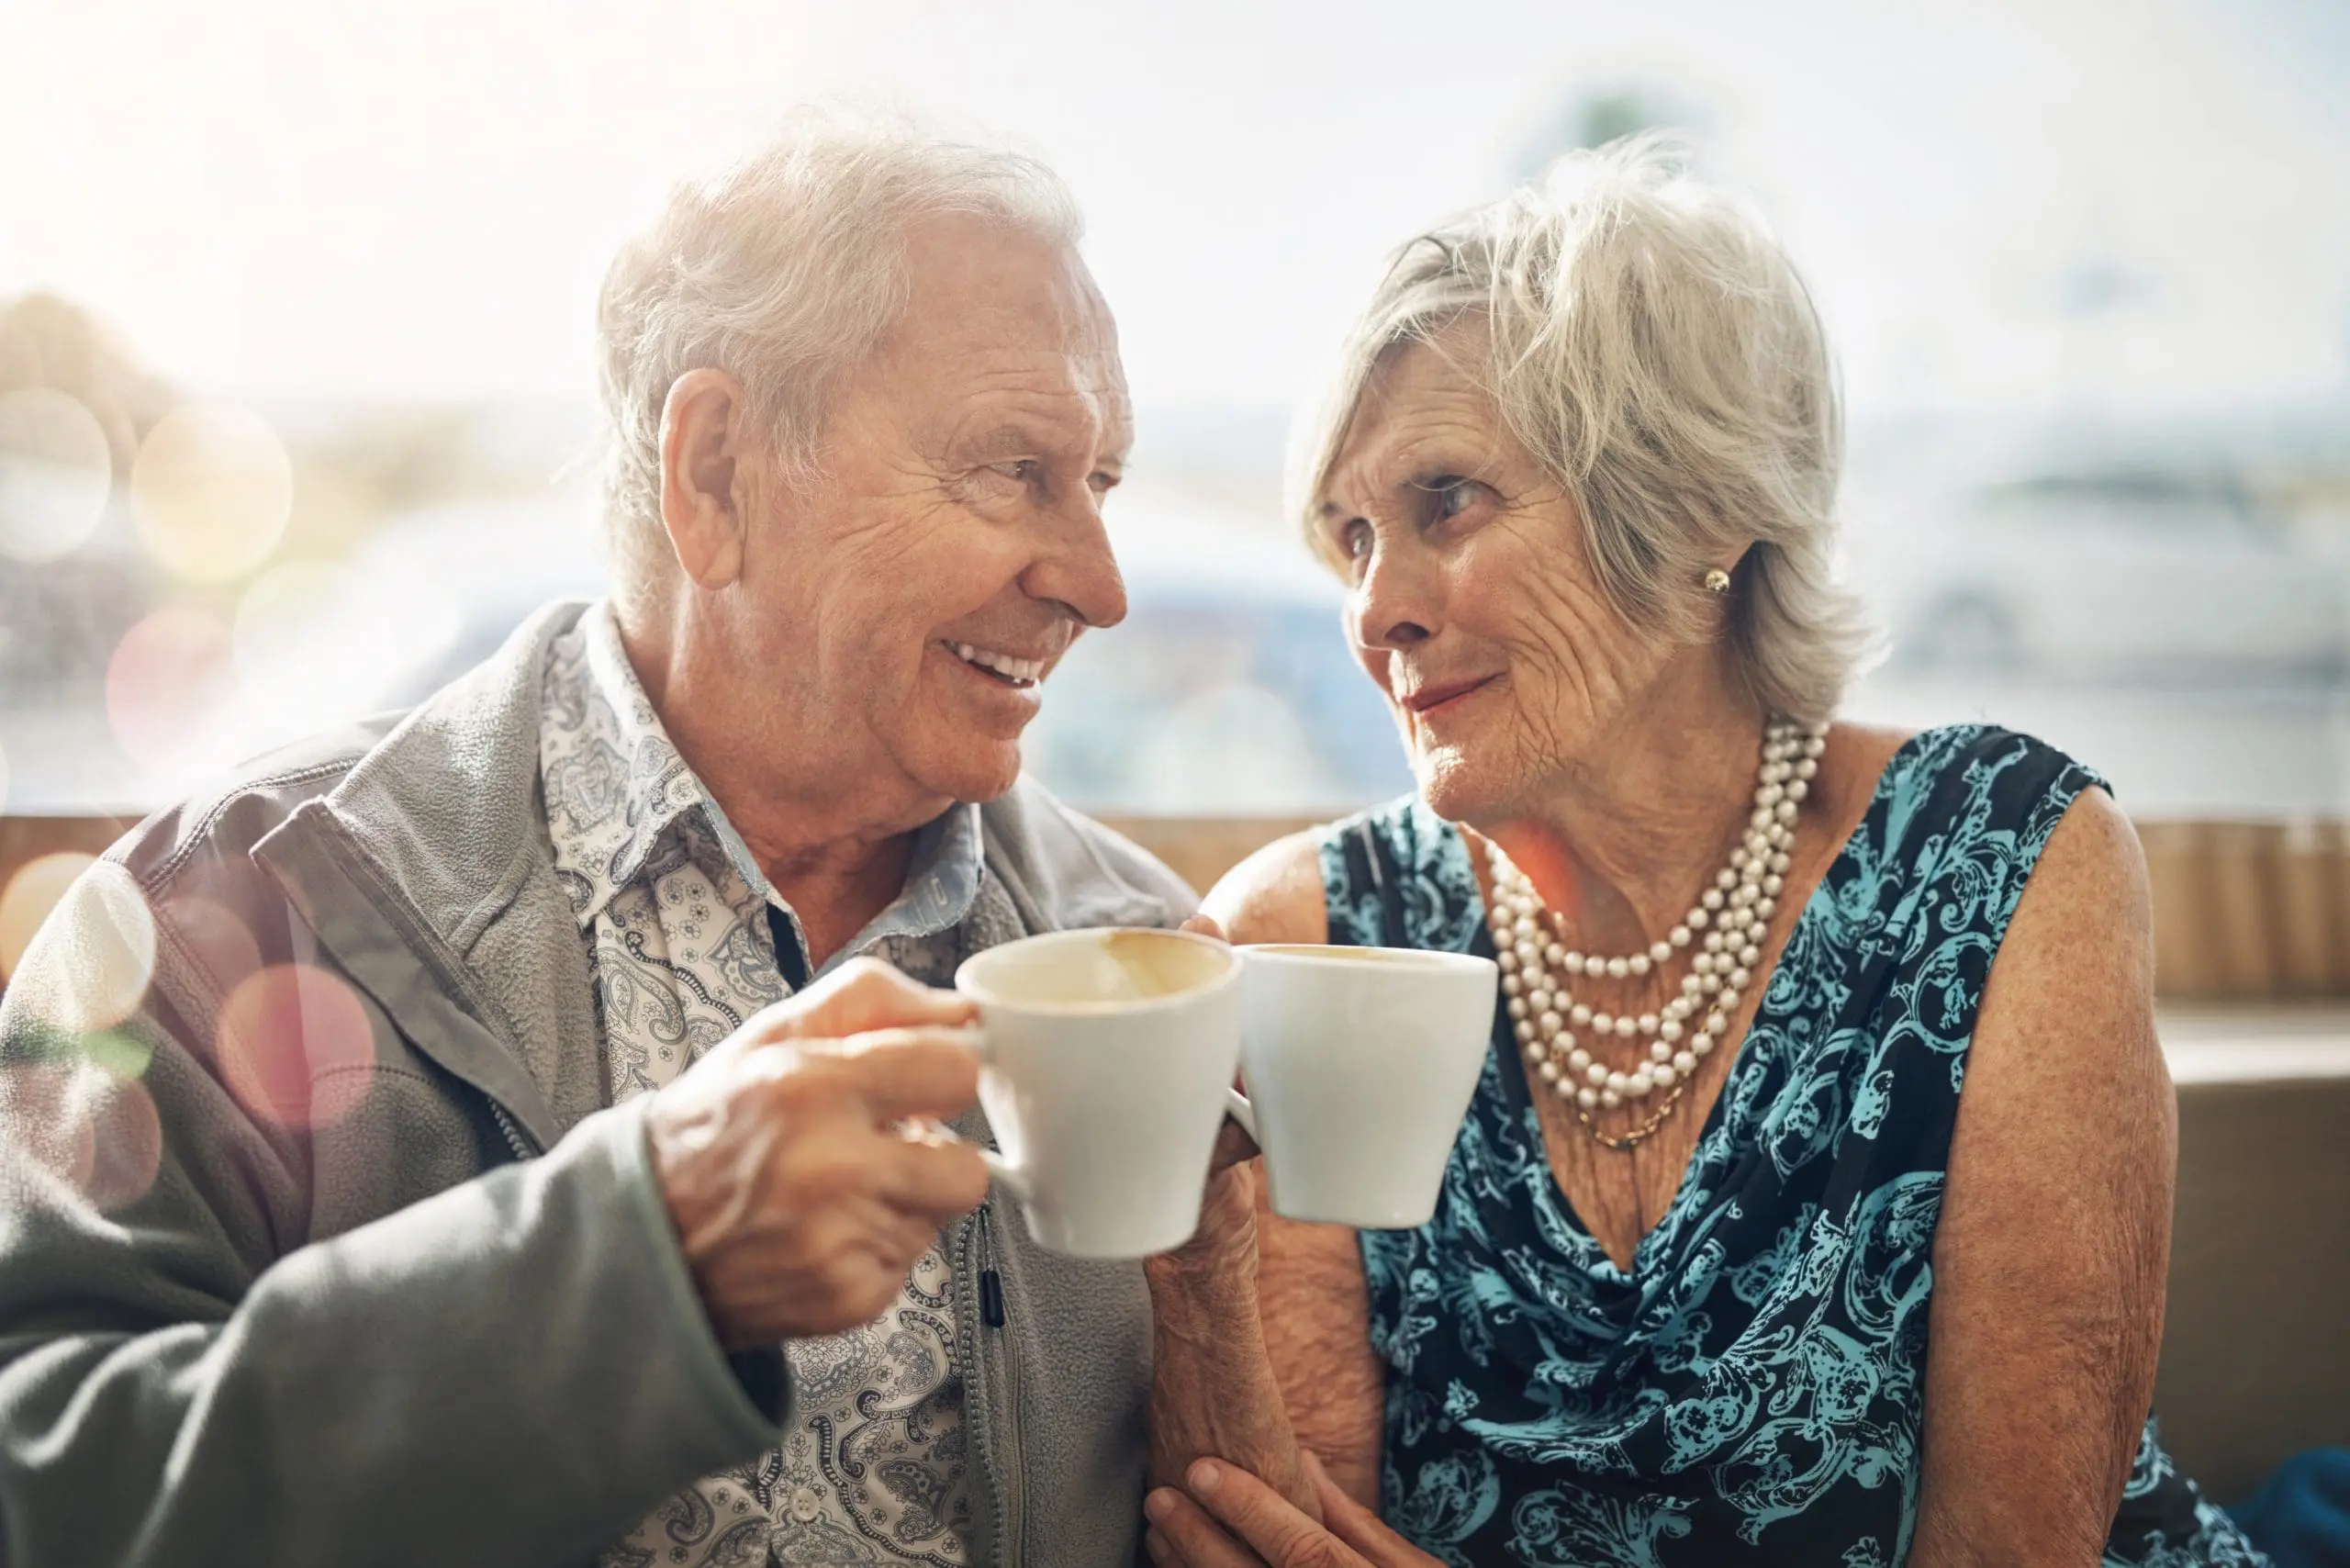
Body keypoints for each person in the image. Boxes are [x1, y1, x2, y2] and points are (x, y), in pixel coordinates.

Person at [0, 108, 1197, 1567]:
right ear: (715, 474)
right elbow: (38, 1486)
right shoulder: (219, 911)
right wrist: (636, 1266)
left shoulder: (1146, 956)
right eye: (1015, 471)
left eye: (1104, 482)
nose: (1099, 583)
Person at [1139, 135, 2266, 1566]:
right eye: (1351, 535)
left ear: (1704, 508)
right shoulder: (1310, 939)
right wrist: (1188, 1248)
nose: (1374, 612)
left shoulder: (2005, 863)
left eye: (1446, 503)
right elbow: (1268, 1539)